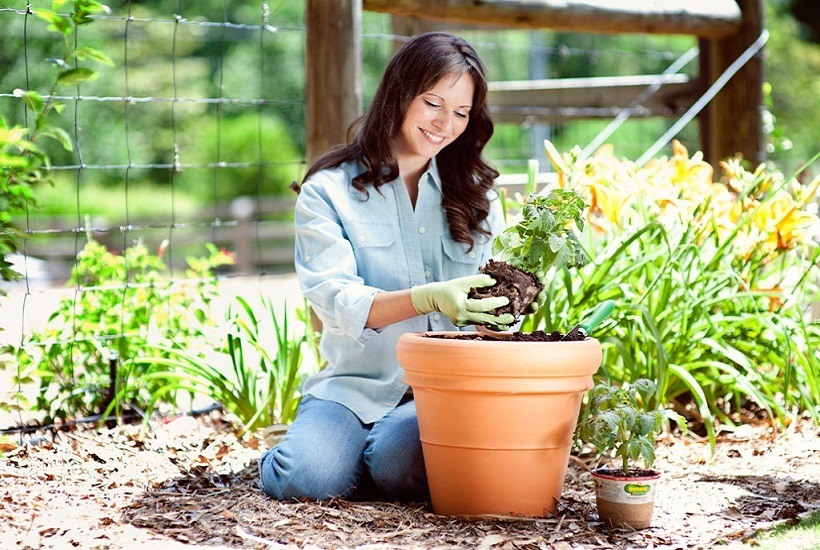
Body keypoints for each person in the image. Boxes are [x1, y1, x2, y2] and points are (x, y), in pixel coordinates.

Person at [259, 31, 515, 503]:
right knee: (304, 480)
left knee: (398, 461)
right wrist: (428, 297)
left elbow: (495, 307)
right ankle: (337, 451)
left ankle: (370, 459)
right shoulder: (329, 191)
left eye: (461, 113)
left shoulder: (477, 198)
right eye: (432, 103)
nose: (445, 123)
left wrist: (505, 309)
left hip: (438, 393)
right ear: (400, 94)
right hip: (353, 387)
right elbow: (337, 300)